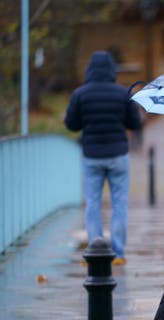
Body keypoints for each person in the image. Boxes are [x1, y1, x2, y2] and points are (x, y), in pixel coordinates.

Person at [64, 50, 142, 264]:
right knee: (119, 204)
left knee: (92, 204)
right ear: (111, 70)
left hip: (92, 156)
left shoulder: (80, 94)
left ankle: (94, 251)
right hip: (118, 155)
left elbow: (71, 124)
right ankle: (118, 253)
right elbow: (135, 123)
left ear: (90, 70)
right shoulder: (122, 93)